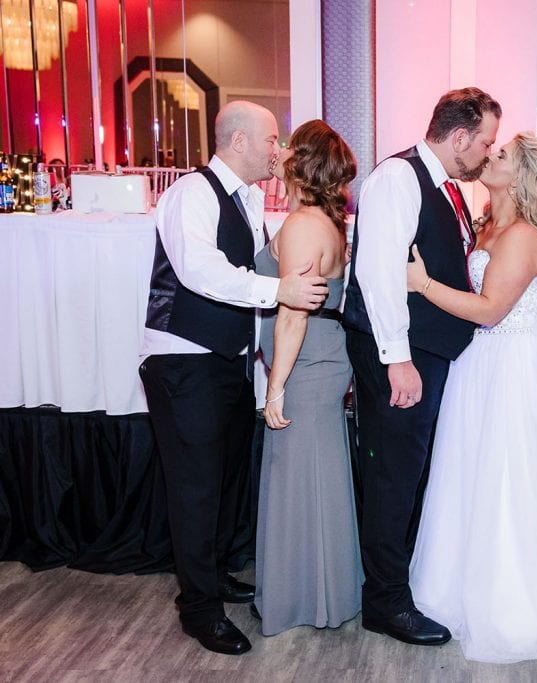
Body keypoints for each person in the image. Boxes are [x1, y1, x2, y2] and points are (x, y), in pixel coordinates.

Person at [406, 133, 537, 662]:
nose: (488, 155)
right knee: (469, 477)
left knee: (508, 482)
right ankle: (455, 589)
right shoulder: (484, 223)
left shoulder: (524, 235)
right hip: (477, 364)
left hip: (513, 369)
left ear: (521, 174)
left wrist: (423, 284)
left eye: (500, 154)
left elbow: (490, 309)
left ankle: (513, 606)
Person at [138, 100, 329, 655]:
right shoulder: (190, 194)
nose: (279, 150)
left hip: (227, 361)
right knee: (195, 489)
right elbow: (199, 271)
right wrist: (279, 291)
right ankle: (199, 609)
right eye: (272, 139)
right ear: (239, 141)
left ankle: (216, 575)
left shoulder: (248, 198)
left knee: (223, 480)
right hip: (184, 360)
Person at [342, 87, 501, 646]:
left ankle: (401, 584)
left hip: (423, 353)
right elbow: (379, 275)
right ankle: (385, 603)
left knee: (411, 473)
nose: (487, 152)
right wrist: (398, 360)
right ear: (459, 137)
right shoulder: (398, 178)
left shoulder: (446, 186)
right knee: (393, 476)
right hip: (399, 355)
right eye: (485, 142)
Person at [253, 119, 362, 635]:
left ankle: (302, 599)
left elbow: (294, 314)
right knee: (313, 478)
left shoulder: (303, 226)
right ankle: (321, 593)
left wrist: (274, 387)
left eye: (289, 145)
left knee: (299, 481)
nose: (280, 151)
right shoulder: (323, 220)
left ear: (302, 161)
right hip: (320, 359)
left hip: (306, 365)